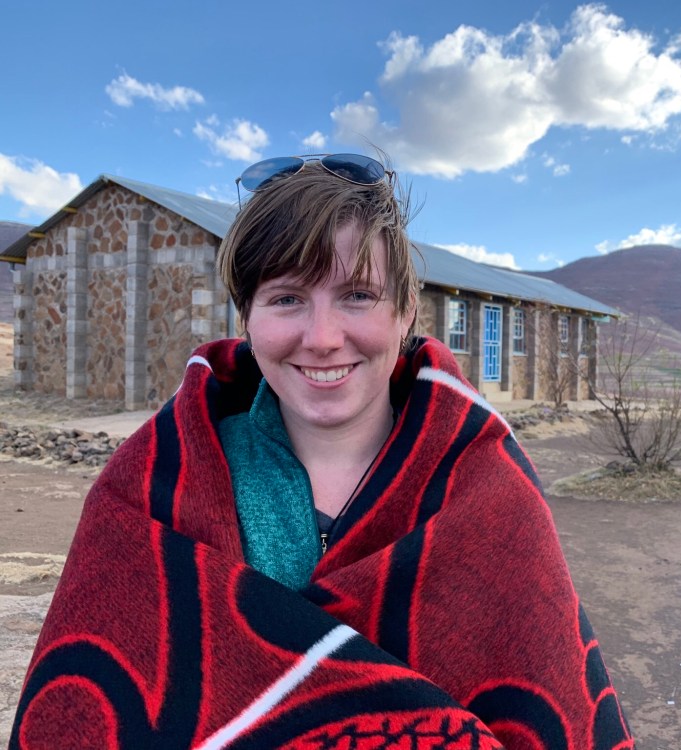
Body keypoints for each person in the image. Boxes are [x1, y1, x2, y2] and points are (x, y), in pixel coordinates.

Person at [11, 154, 633, 749]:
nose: (323, 338)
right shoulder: (158, 484)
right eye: (287, 298)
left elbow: (550, 708)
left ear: (405, 312)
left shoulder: (484, 486)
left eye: (357, 295)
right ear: (247, 318)